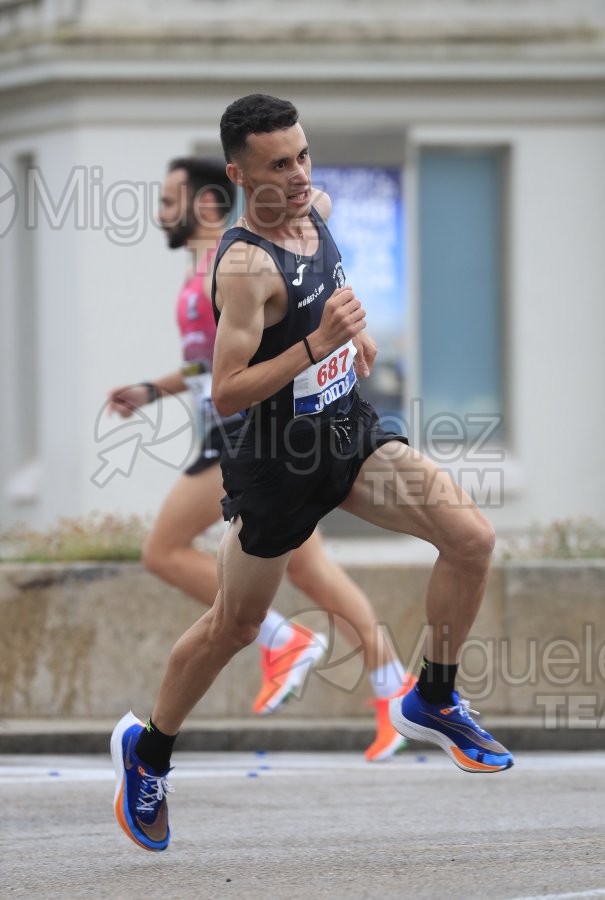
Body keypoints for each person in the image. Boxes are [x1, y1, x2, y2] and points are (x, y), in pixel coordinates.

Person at [111, 98, 513, 853]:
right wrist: (316, 343)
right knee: (233, 624)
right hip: (274, 468)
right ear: (238, 174)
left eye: (302, 156)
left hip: (349, 435)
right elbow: (226, 390)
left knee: (470, 537)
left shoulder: (316, 208)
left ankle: (431, 696)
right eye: (278, 164)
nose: (299, 176)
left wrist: (348, 338)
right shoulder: (242, 268)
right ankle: (149, 750)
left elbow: (326, 290)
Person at [107, 158, 415, 776]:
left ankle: (284, 640)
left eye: (172, 200)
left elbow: (265, 345)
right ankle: (395, 692)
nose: (161, 212)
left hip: (243, 436)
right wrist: (153, 389)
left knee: (163, 549)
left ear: (208, 204)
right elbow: (207, 367)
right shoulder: (204, 274)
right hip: (250, 433)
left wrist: (345, 333)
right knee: (314, 570)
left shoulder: (226, 268)